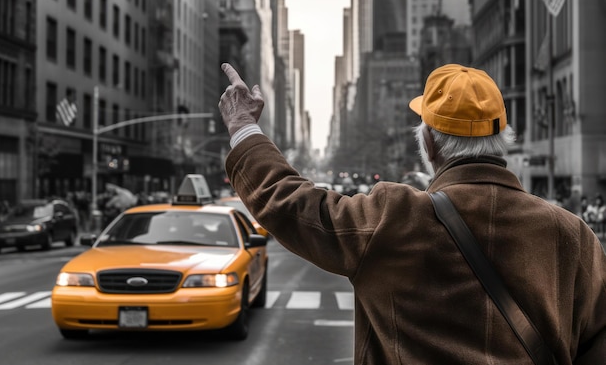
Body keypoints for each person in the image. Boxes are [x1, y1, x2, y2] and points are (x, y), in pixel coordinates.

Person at [218, 62, 606, 363]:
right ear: (503, 138)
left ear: (428, 144)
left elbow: (291, 204)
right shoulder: (573, 236)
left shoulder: (394, 218)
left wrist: (243, 127)